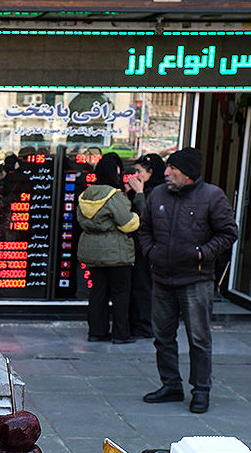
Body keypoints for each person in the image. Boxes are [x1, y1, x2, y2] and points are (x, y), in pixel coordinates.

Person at [136, 147, 238, 414]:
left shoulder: (212, 197)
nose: (166, 172)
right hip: (162, 279)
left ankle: (201, 390)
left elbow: (228, 233)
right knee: (162, 337)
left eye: (173, 169)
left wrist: (202, 253)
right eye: (168, 168)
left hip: (196, 280)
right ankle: (170, 385)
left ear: (189, 174)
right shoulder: (157, 194)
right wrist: (151, 252)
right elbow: (144, 229)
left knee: (199, 339)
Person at [77, 152, 139, 344]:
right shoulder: (115, 195)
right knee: (120, 294)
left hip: (92, 251)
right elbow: (128, 223)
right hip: (116, 253)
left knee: (98, 293)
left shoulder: (85, 195)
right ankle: (121, 334)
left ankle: (96, 332)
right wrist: (137, 214)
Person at [126, 153, 164, 338]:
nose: (136, 176)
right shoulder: (142, 191)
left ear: (151, 173)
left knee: (144, 287)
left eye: (139, 172)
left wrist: (139, 193)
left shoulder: (158, 192)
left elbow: (149, 218)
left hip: (149, 249)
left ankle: (144, 326)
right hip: (136, 247)